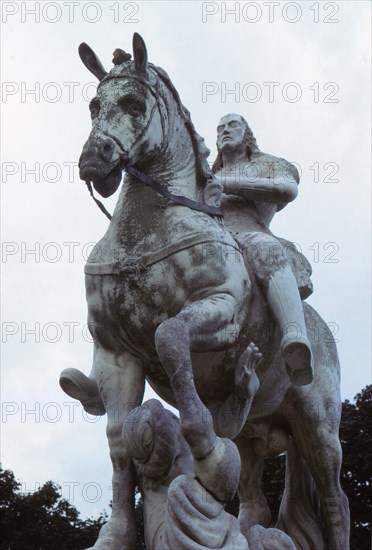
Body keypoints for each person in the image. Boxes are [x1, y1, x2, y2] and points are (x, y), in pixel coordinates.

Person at [208, 113, 313, 386]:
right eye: (220, 128)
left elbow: (287, 190)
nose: (225, 130)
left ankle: (294, 336)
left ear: (247, 134)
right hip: (205, 242)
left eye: (233, 125)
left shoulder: (265, 165)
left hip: (248, 237)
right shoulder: (204, 174)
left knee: (267, 249)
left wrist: (228, 184)